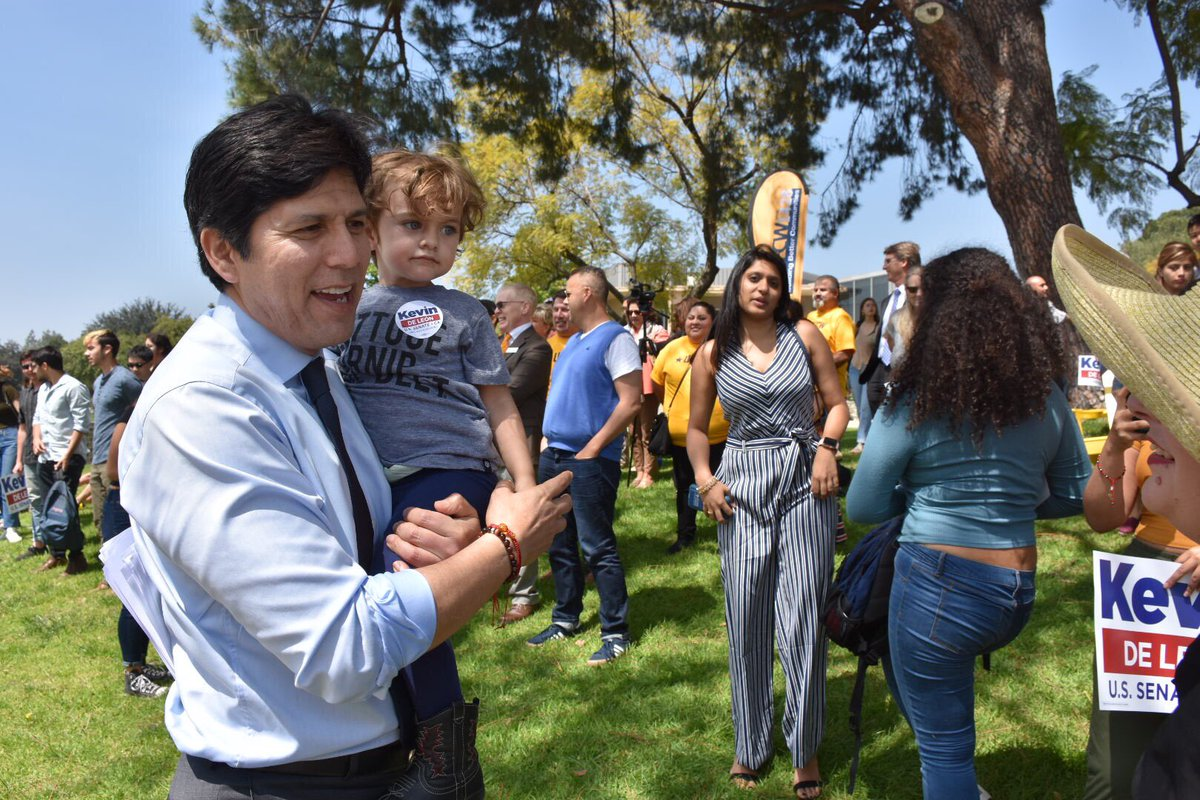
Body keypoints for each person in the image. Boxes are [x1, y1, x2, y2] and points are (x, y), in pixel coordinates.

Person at [121, 94, 571, 799]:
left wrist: (452, 545)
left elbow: (369, 547)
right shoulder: (203, 407)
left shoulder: (324, 369)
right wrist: (507, 548)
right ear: (223, 251)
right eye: (309, 228)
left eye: (357, 223)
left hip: (391, 764)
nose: (350, 252)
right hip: (283, 784)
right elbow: (344, 647)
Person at [846, 247, 1091, 800]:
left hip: (936, 587)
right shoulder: (1047, 399)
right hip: (1016, 591)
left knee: (944, 752)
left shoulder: (915, 400)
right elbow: (1076, 493)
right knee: (919, 697)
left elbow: (862, 506)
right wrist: (1010, 503)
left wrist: (921, 501)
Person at [337, 147, 536, 795]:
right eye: (413, 224)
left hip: (450, 466)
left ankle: (448, 760)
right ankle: (406, 736)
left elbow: (499, 404)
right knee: (367, 600)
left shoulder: (466, 313)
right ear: (370, 230)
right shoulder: (344, 308)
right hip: (375, 480)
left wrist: (523, 486)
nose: (431, 241)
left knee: (404, 587)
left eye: (448, 229)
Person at [687, 245, 848, 798]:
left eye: (774, 282)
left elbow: (837, 404)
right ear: (738, 284)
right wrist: (705, 480)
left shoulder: (804, 335)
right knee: (746, 616)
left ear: (783, 292)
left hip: (806, 481)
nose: (763, 288)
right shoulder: (712, 351)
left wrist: (827, 448)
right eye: (754, 278)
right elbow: (696, 429)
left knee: (803, 615)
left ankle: (805, 749)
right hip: (741, 488)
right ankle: (751, 744)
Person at [1049, 223, 1200, 799]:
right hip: (1145, 589)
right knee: (1116, 763)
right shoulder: (1138, 434)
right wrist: (1115, 445)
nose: (1135, 401)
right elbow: (1102, 517)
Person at [527, 265, 641, 666]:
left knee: (597, 547)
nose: (564, 299)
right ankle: (566, 618)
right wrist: (547, 440)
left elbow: (631, 402)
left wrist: (592, 448)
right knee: (559, 544)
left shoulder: (616, 338)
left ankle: (616, 632)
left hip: (589, 461)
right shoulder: (574, 341)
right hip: (554, 456)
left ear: (589, 293)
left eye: (569, 292)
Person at [494, 282, 553, 623]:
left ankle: (523, 596)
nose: (497, 310)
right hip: (496, 443)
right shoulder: (503, 344)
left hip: (522, 444)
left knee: (520, 517)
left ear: (525, 307)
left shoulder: (538, 347)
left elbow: (509, 391)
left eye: (503, 304)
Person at [650, 300, 728, 554]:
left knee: (725, 485)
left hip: (722, 434)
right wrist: (673, 409)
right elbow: (657, 383)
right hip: (682, 436)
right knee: (684, 486)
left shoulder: (724, 348)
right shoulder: (672, 348)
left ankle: (727, 534)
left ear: (713, 322)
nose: (694, 322)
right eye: (691, 317)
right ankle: (685, 535)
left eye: (702, 318)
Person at [28, 346, 91, 574]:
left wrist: (67, 454)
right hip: (46, 457)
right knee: (49, 508)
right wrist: (36, 438)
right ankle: (57, 554)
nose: (32, 371)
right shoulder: (44, 389)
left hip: (67, 458)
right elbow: (37, 417)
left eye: (34, 366)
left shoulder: (73, 387)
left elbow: (81, 424)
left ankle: (77, 557)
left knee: (66, 508)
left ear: (45, 366)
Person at [83, 328, 142, 537]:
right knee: (101, 521)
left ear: (107, 349)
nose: (86, 353)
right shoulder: (98, 381)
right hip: (97, 460)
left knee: (120, 526)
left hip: (116, 462)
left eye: (91, 348)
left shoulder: (125, 379)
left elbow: (142, 412)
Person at [860, 241, 919, 413]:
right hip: (878, 368)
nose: (883, 267)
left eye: (888, 261)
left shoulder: (921, 297)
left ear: (904, 262)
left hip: (903, 368)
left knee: (896, 414)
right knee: (876, 415)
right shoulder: (887, 301)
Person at [624, 297, 669, 488]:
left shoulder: (656, 331)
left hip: (648, 386)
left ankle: (649, 472)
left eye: (637, 311)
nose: (634, 315)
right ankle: (640, 470)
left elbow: (663, 354)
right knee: (633, 432)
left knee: (646, 431)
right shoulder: (624, 332)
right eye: (630, 312)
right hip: (629, 386)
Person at [13, 352, 47, 556]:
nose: (29, 370)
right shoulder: (24, 393)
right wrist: (18, 460)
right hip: (29, 455)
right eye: (25, 367)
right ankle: (39, 543)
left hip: (49, 452)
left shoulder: (50, 388)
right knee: (34, 499)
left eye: (32, 365)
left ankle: (59, 541)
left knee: (53, 497)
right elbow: (22, 428)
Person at [805, 275, 856, 402]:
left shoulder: (841, 317)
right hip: (807, 387)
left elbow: (845, 353)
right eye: (815, 290)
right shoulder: (810, 316)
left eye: (823, 290)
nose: (817, 293)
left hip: (830, 390)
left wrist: (815, 366)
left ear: (835, 293)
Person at [848, 297, 879, 456]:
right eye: (867, 305)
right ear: (862, 309)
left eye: (873, 305)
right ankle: (869, 438)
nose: (871, 307)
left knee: (866, 407)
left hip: (870, 369)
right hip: (854, 368)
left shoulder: (879, 327)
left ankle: (861, 442)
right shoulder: (857, 327)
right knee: (860, 406)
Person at [882, 265, 923, 367]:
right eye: (913, 289)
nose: (919, 294)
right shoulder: (896, 318)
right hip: (900, 374)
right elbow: (891, 345)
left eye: (923, 288)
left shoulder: (937, 318)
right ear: (906, 290)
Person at [0, 365, 21, 542]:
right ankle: (4, 521)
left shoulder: (7, 389)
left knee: (7, 480)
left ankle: (11, 527)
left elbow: (22, 414)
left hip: (10, 436)